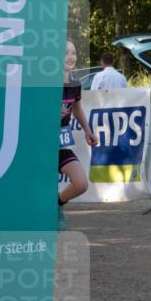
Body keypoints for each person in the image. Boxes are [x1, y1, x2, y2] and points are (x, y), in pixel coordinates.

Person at [58, 38, 99, 229]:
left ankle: (56, 206)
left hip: (60, 144)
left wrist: (88, 131)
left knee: (81, 183)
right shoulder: (44, 83)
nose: (71, 57)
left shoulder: (75, 83)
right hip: (38, 144)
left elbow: (77, 109)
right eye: (66, 52)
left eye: (73, 53)